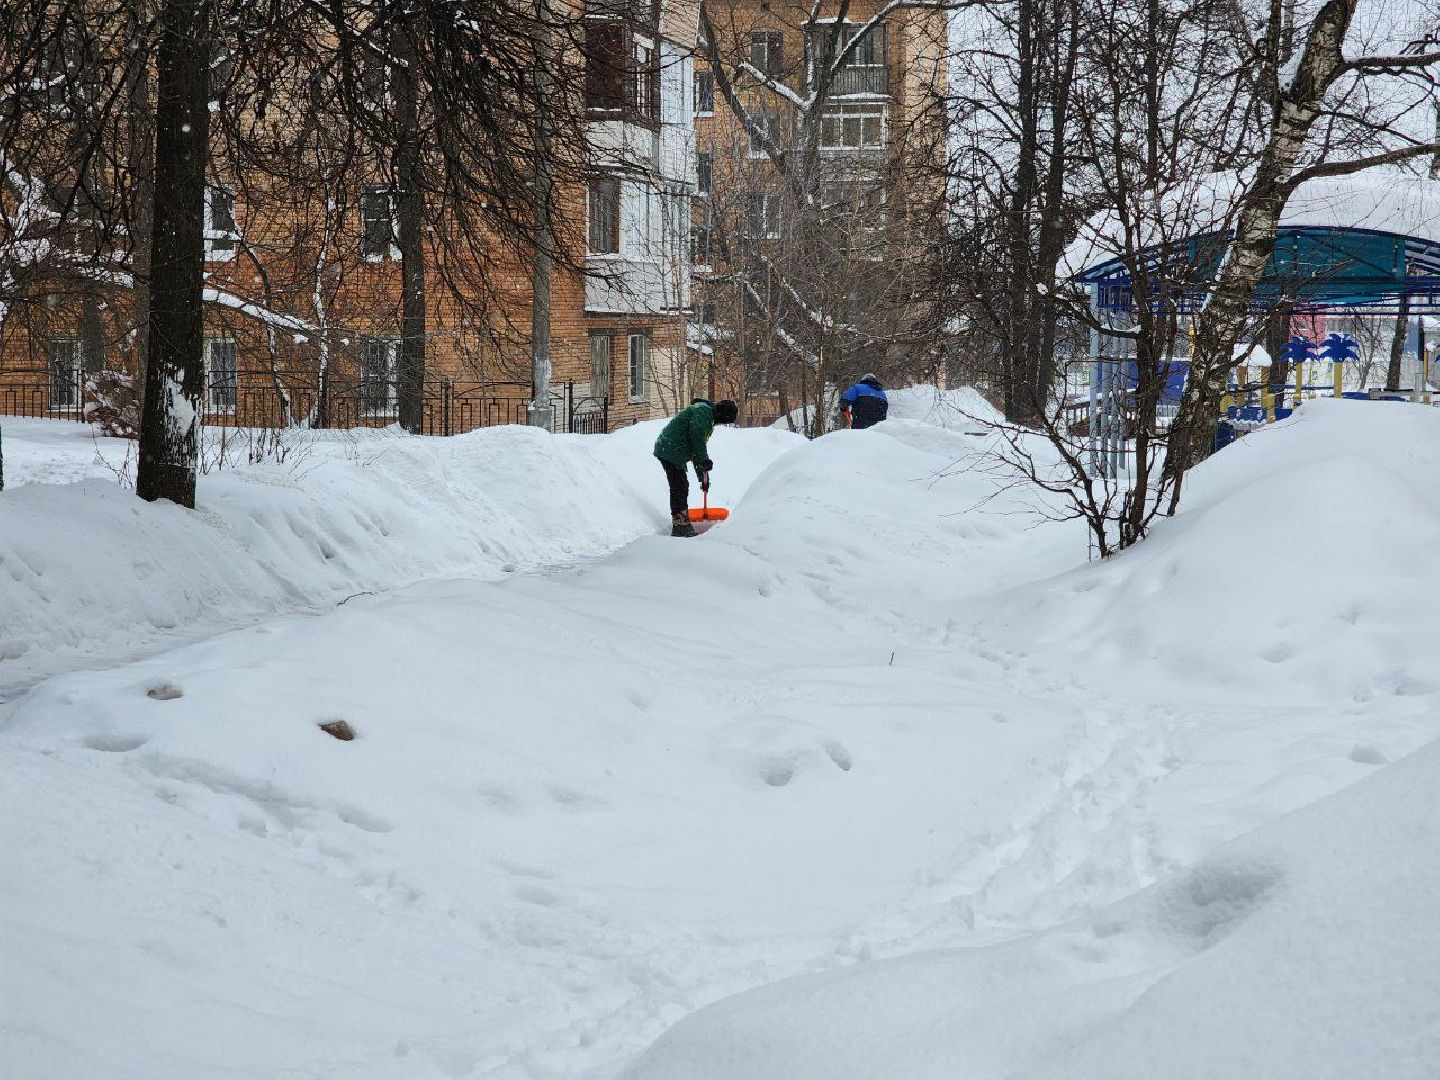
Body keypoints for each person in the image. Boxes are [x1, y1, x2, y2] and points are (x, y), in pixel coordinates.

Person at [653, 398, 739, 536]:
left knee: (680, 485)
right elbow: (697, 441)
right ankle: (680, 526)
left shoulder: (706, 414)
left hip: (671, 448)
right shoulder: (703, 413)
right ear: (722, 415)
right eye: (724, 421)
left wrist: (703, 478)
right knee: (679, 486)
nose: (720, 424)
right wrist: (704, 460)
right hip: (670, 449)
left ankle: (682, 524)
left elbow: (696, 450)